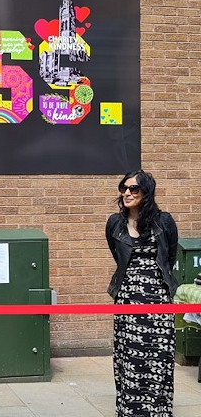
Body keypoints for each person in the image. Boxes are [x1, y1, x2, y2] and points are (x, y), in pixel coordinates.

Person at [106, 170, 179, 416]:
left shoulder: (164, 221)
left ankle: (157, 410)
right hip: (127, 298)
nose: (127, 192)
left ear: (146, 192)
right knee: (130, 356)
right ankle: (131, 409)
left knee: (158, 356)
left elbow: (169, 257)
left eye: (134, 188)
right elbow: (119, 258)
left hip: (158, 298)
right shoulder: (115, 223)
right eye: (124, 188)